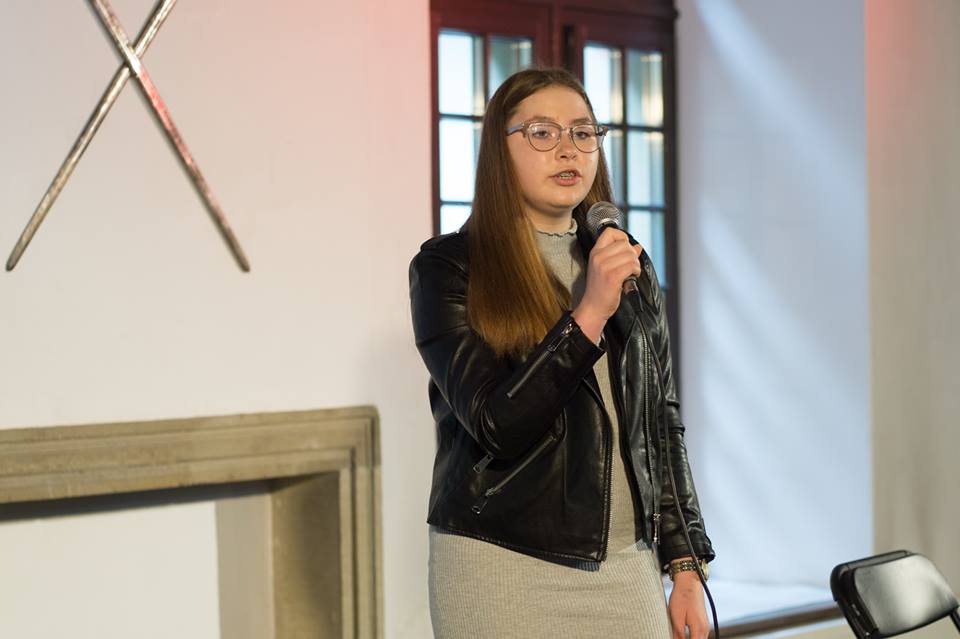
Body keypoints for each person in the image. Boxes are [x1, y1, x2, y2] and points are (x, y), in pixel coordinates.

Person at [409, 67, 715, 639]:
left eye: (582, 132)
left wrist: (686, 564)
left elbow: (660, 421)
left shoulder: (627, 262)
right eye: (542, 132)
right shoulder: (448, 269)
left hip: (626, 565)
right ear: (499, 150)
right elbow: (496, 426)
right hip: (500, 564)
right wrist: (590, 311)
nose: (567, 149)